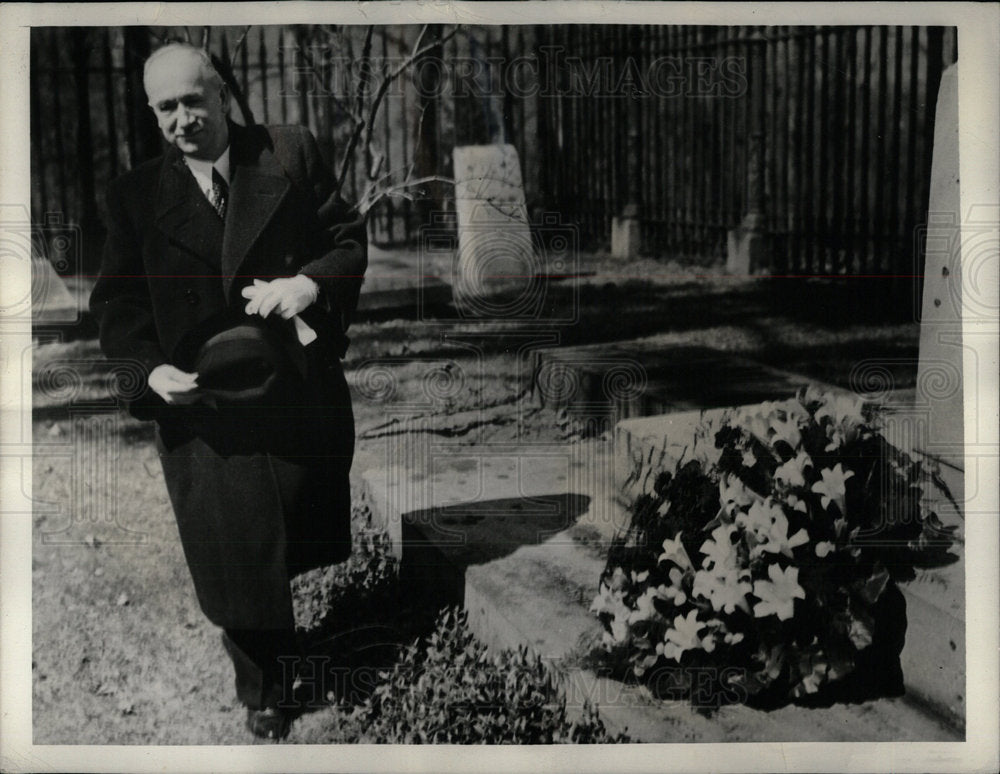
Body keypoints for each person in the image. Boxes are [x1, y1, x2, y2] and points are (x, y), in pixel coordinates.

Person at [90, 42, 366, 740]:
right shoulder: (133, 198)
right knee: (234, 546)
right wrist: (148, 375)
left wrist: (309, 283)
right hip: (201, 402)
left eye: (193, 100)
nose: (183, 119)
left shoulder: (287, 154)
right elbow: (116, 311)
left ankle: (287, 637)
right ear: (153, 115)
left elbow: (346, 238)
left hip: (289, 382)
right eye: (165, 108)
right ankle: (265, 685)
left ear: (219, 94)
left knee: (297, 523)